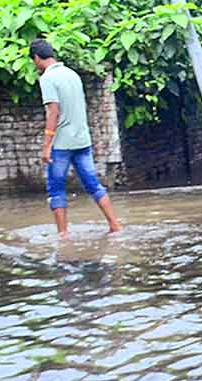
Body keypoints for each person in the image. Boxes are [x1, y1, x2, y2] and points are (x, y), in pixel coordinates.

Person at [30, 39, 122, 239]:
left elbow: (53, 112)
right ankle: (115, 226)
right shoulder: (73, 74)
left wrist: (46, 147)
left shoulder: (47, 78)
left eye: (34, 61)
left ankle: (63, 235)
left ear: (37, 58)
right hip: (82, 141)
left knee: (55, 188)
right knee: (93, 184)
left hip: (61, 143)